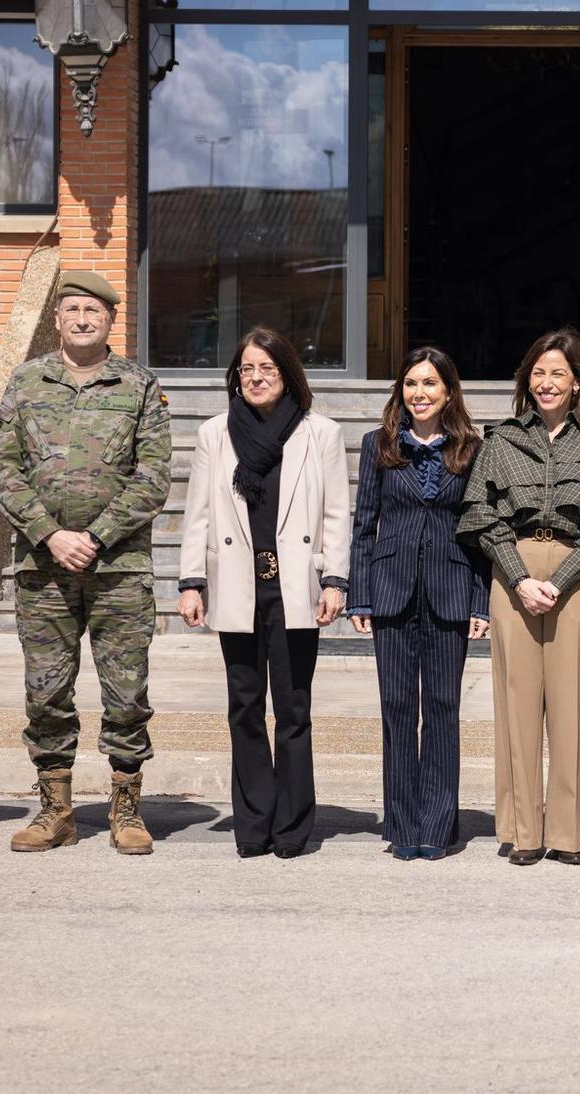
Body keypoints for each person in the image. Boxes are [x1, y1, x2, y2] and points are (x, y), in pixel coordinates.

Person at [0, 270, 171, 856]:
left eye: (94, 310)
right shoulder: (25, 382)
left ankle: (126, 808)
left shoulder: (139, 386)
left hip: (118, 570)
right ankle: (56, 810)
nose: (83, 319)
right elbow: (4, 470)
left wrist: (93, 536)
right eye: (72, 309)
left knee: (126, 693)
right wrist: (49, 535)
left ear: (111, 320)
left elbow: (153, 477)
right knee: (46, 692)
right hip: (44, 570)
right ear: (58, 319)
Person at [177, 328, 350, 858]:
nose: (255, 378)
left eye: (266, 369)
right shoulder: (215, 434)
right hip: (237, 585)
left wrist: (335, 580)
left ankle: (293, 826)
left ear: (287, 373)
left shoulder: (319, 432)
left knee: (294, 710)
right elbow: (198, 513)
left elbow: (337, 512)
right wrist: (190, 582)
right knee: (244, 707)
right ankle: (253, 823)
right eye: (246, 370)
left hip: (295, 586)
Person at [459, 329, 580, 867]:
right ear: (525, 381)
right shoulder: (501, 440)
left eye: (559, 373)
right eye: (538, 373)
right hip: (514, 574)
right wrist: (520, 576)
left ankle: (565, 832)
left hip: (578, 577)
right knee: (517, 703)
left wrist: (560, 579)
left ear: (578, 383)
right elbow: (482, 518)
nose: (547, 382)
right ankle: (522, 831)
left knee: (572, 705)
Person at [347, 347, 490, 860]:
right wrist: (358, 592)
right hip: (391, 591)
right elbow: (363, 525)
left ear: (448, 391)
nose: (420, 393)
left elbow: (480, 534)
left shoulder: (472, 449)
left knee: (445, 709)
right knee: (398, 708)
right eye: (411, 384)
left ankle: (439, 824)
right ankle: (403, 825)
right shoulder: (378, 445)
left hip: (450, 592)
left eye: (430, 384)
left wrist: (481, 602)